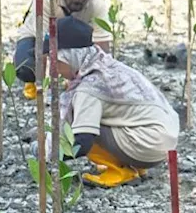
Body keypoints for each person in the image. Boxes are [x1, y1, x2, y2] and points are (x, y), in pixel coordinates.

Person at [43, 17, 179, 188]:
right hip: (163, 142)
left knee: (82, 123)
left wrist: (48, 153)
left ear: (70, 57)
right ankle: (135, 166)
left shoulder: (89, 87)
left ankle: (121, 171)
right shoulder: (107, 66)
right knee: (100, 116)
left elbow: (83, 141)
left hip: (146, 146)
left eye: (54, 59)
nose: (52, 67)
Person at [14, 0, 111, 100]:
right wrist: (44, 84)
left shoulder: (97, 5)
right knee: (27, 68)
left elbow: (103, 49)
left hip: (75, 42)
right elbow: (42, 45)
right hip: (38, 36)